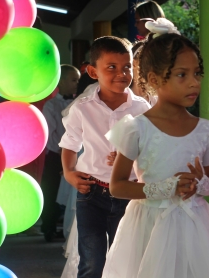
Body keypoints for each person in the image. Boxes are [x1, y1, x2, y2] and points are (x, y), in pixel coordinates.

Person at [101, 19, 209, 278]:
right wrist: (165, 188)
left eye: (197, 73)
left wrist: (201, 184)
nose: (194, 82)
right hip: (148, 225)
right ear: (154, 79)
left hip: (193, 226)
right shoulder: (136, 128)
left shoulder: (207, 130)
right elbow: (117, 186)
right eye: (181, 74)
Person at [59, 36, 151, 278]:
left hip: (130, 195)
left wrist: (129, 156)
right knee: (91, 262)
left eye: (127, 67)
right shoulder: (83, 108)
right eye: (111, 67)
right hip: (92, 194)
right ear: (92, 71)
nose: (121, 73)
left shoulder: (142, 110)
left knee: (127, 261)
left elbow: (152, 149)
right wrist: (69, 173)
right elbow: (69, 144)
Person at [40, 64, 81, 242]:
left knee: (67, 191)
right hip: (56, 154)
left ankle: (64, 225)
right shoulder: (51, 105)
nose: (76, 84)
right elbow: (49, 132)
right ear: (62, 82)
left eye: (78, 80)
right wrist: (61, 152)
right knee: (52, 190)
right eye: (73, 80)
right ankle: (48, 227)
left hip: (73, 152)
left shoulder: (77, 103)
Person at [129, 41, 158, 106]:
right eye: (146, 61)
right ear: (134, 63)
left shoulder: (157, 100)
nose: (152, 66)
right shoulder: (123, 100)